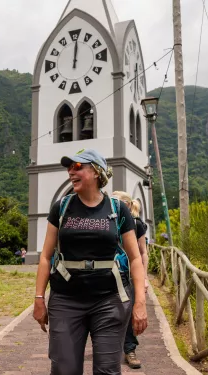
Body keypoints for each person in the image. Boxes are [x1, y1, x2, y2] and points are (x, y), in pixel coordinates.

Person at [33, 149, 148, 375]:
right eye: (68, 167)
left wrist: (140, 302)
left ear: (96, 172)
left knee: (107, 370)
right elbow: (46, 256)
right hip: (66, 300)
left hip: (109, 301)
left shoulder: (118, 209)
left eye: (77, 167)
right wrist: (39, 298)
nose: (70, 172)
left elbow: (135, 257)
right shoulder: (61, 208)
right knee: (64, 369)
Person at [111, 192, 148, 369]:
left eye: (116, 201)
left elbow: (142, 253)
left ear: (126, 204)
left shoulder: (136, 224)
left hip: (129, 275)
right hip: (108, 274)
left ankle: (130, 349)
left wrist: (144, 278)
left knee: (129, 312)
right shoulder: (107, 220)